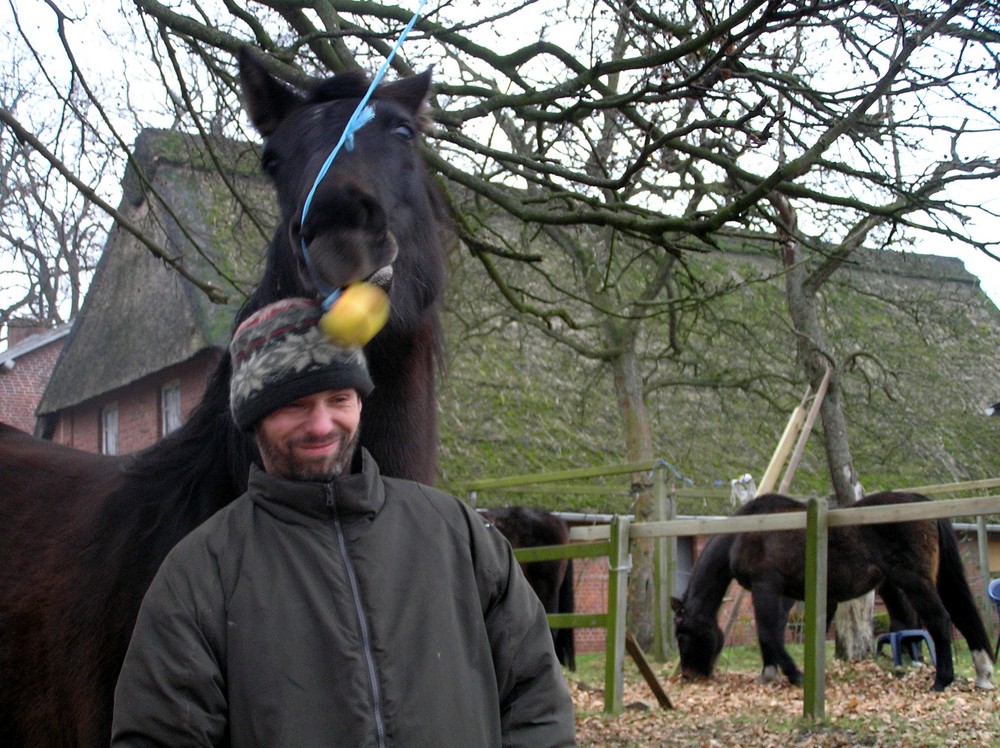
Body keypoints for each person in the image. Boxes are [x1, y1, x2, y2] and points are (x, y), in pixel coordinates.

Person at [110, 297, 576, 747]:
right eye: (294, 404)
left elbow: (536, 697)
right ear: (254, 419)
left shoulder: (457, 534)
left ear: (360, 402)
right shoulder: (201, 574)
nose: (321, 424)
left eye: (338, 397)